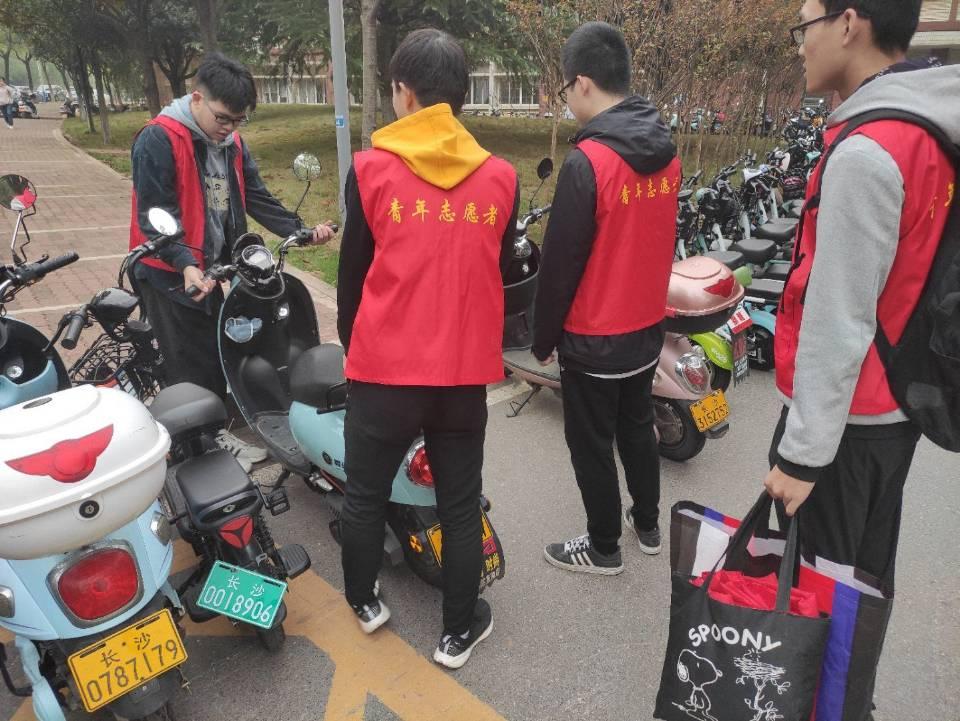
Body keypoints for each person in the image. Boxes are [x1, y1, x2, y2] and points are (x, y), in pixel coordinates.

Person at [764, 2, 958, 717]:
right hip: (894, 410)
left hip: (844, 428)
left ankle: (830, 706)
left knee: (818, 599)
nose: (801, 44)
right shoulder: (929, 129)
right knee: (863, 585)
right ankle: (852, 702)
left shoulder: (868, 151)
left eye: (805, 25)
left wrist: (801, 454)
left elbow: (839, 316)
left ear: (849, 24)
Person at [337, 28, 519, 669]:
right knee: (460, 505)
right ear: (461, 97)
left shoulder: (371, 171)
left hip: (384, 371)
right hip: (462, 376)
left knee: (364, 495)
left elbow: (352, 276)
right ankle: (457, 633)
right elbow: (496, 269)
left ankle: (364, 601)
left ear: (403, 93)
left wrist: (353, 347)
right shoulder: (501, 179)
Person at [129, 53, 334, 471]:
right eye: (223, 118)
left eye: (238, 121)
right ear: (197, 99)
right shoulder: (159, 138)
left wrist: (299, 229)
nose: (229, 128)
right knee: (193, 362)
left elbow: (254, 195)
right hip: (170, 272)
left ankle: (215, 422)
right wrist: (184, 262)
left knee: (220, 346)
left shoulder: (232, 145)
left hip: (212, 268)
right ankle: (203, 446)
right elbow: (154, 214)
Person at [533, 22, 680, 575]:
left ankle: (603, 547)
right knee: (637, 427)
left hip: (594, 340)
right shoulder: (666, 152)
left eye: (565, 88)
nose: (567, 98)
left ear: (584, 83)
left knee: (592, 444)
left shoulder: (588, 163)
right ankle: (648, 526)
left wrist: (543, 339)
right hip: (645, 330)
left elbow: (559, 267)